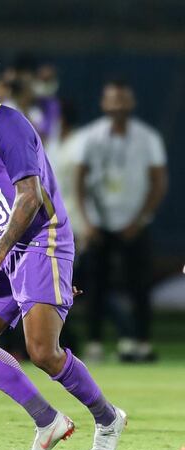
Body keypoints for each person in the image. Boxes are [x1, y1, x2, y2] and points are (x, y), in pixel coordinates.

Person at [0, 46, 125, 450]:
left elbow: (29, 200)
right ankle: (48, 421)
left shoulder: (7, 124)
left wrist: (2, 256)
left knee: (42, 350)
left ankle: (108, 417)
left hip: (43, 240)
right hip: (13, 251)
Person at [75, 79, 168, 362]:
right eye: (112, 99)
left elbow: (158, 182)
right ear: (104, 103)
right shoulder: (92, 136)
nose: (117, 105)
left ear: (131, 103)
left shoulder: (147, 137)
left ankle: (141, 341)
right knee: (96, 285)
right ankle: (94, 343)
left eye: (122, 99)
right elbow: (79, 179)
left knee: (139, 284)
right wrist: (87, 220)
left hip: (134, 223)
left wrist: (140, 221)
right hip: (100, 223)